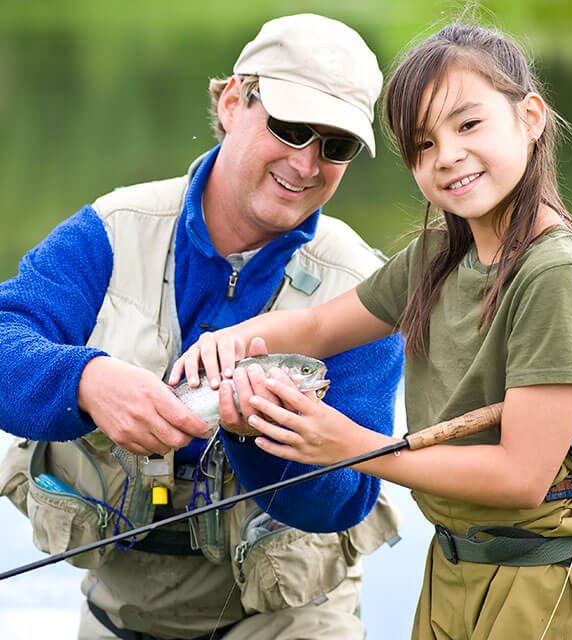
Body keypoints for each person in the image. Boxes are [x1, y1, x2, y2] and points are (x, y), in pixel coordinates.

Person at [172, 21, 572, 640]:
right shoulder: (437, 257)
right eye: (422, 144)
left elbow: (522, 477)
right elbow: (314, 327)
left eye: (468, 125)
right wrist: (233, 339)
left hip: (552, 588)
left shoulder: (555, 274)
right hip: (455, 568)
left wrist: (351, 449)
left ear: (530, 117)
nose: (446, 155)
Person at [0, 13, 404, 640]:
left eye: (336, 146)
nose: (306, 164)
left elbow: (343, 500)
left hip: (289, 619)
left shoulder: (364, 291)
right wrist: (87, 381)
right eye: (291, 128)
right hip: (121, 607)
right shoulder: (110, 230)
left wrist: (260, 436)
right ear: (232, 102)